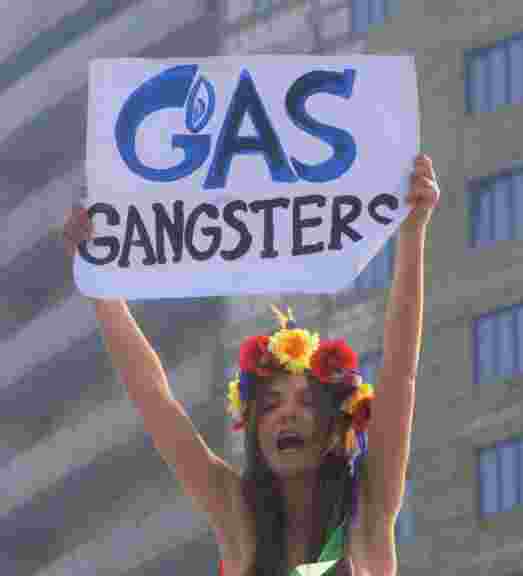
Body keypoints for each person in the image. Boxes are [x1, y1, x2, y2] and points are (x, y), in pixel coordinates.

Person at [63, 155, 441, 576]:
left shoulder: (367, 511)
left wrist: (412, 233)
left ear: (336, 427)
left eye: (306, 403)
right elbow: (154, 398)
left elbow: (400, 374)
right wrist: (101, 288)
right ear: (255, 428)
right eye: (272, 404)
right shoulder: (235, 513)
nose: (287, 414)